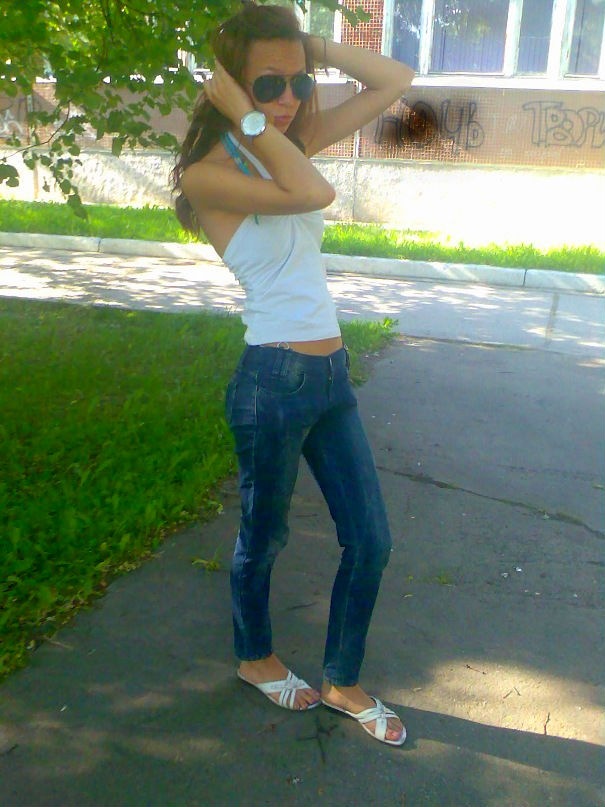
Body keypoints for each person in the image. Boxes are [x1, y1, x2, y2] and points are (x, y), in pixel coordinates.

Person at [172, 1, 414, 747]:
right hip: (272, 379)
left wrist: (308, 47)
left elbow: (395, 79)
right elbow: (312, 193)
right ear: (230, 89)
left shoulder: (287, 143)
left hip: (331, 375)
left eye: (298, 84)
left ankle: (342, 679)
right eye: (269, 84)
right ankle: (255, 657)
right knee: (264, 535)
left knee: (370, 539)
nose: (288, 100)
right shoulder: (208, 174)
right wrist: (245, 115)